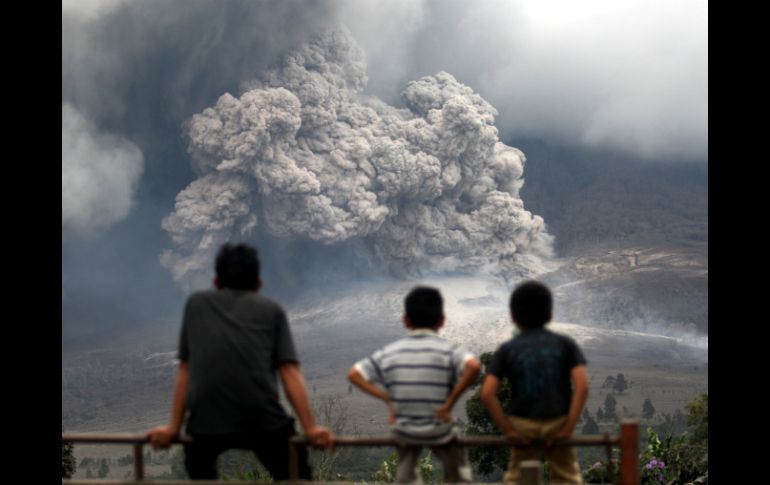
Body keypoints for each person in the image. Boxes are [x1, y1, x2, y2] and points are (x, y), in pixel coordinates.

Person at [147, 243, 333, 480]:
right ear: (258, 284)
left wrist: (173, 427)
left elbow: (186, 368)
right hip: (263, 420)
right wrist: (311, 428)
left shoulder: (196, 305)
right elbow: (289, 372)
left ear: (216, 282)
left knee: (199, 469)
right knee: (297, 475)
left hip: (205, 424)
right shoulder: (271, 309)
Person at [348, 286, 481, 483]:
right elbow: (473, 365)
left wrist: (388, 399)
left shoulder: (391, 351)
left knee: (405, 472)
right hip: (440, 427)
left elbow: (354, 374)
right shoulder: (448, 350)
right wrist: (449, 403)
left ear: (405, 321)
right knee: (458, 471)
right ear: (442, 321)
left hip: (405, 429)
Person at [481, 281, 588, 484]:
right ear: (550, 315)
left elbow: (487, 393)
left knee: (517, 477)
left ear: (512, 316)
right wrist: (568, 428)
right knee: (567, 477)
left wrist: (509, 430)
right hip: (557, 420)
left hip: (522, 423)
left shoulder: (508, 349)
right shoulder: (565, 344)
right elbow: (582, 386)